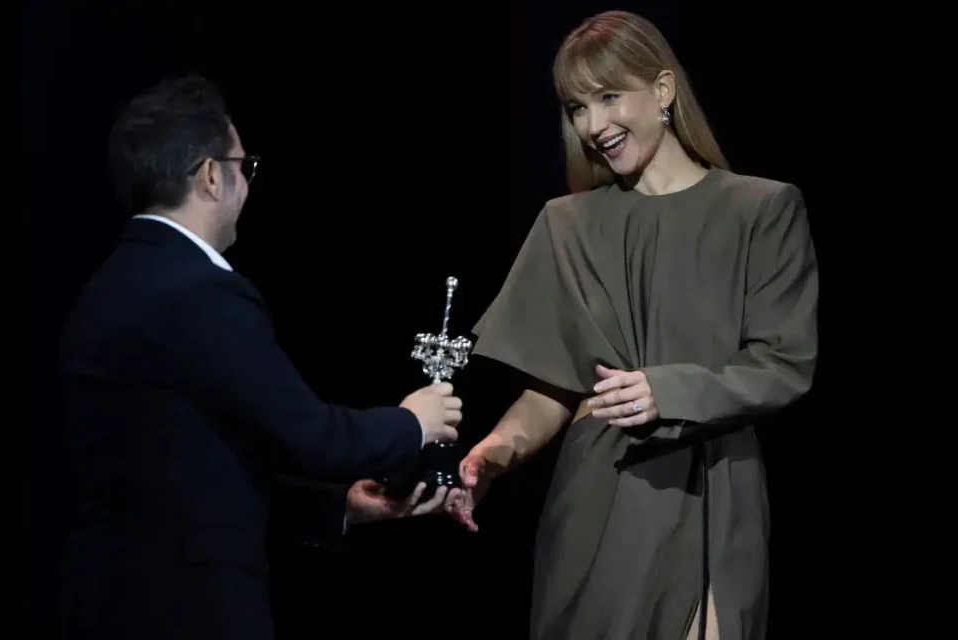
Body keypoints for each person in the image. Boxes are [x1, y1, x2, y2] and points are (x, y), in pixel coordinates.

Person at [446, 10, 818, 640]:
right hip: (600, 498)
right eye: (576, 108)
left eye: (608, 97)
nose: (593, 126)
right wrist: (494, 454)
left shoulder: (761, 210)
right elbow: (555, 390)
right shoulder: (566, 225)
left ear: (664, 90)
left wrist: (666, 391)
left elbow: (782, 366)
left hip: (712, 488)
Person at [56, 74, 463, 640]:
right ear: (209, 176)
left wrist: (340, 507)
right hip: (187, 611)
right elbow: (313, 435)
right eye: (244, 169)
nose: (248, 187)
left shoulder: (104, 289)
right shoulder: (198, 292)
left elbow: (192, 469)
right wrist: (414, 423)